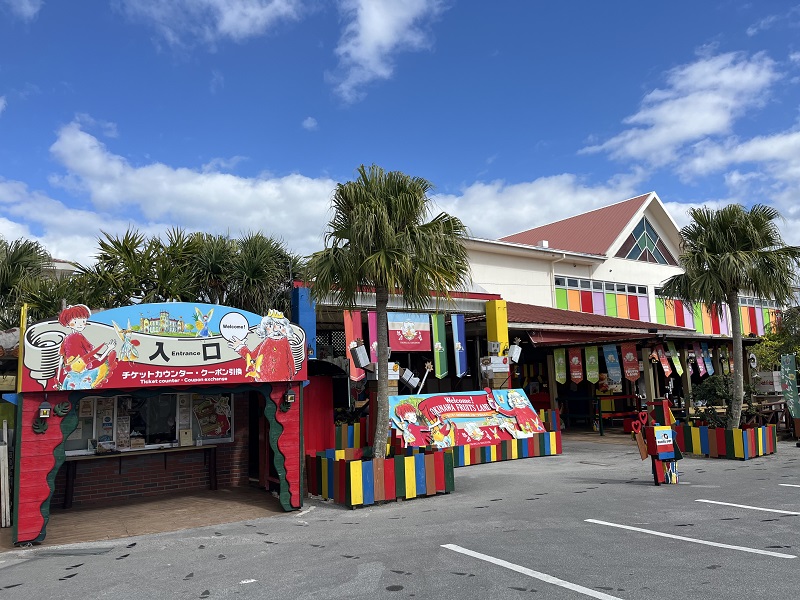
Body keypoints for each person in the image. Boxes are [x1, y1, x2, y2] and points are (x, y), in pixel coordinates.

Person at [57, 304, 117, 390]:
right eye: (75, 322)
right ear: (68, 323)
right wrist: (109, 349)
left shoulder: (68, 339)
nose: (80, 325)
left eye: (83, 321)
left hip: (75, 375)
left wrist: (58, 379)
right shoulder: (76, 338)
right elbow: (98, 358)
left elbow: (61, 361)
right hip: (80, 375)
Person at [228, 310, 299, 382]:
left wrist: (292, 376)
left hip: (283, 378)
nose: (275, 330)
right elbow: (252, 357)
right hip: (263, 378)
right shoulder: (266, 343)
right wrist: (240, 347)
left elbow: (290, 360)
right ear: (264, 329)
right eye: (270, 326)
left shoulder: (285, 343)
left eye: (280, 327)